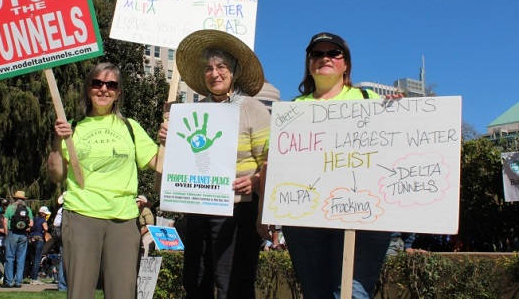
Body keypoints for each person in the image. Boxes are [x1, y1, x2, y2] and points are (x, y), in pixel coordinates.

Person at [263, 32, 391, 299]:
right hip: (305, 220)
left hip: (363, 218)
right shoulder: (293, 109)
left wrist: (401, 113)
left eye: (334, 53)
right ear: (309, 63)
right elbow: (270, 162)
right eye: (317, 54)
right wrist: (262, 215)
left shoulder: (371, 101)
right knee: (316, 293)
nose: (325, 58)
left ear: (346, 64)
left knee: (351, 292)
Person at [158, 30, 270, 298]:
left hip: (238, 211)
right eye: (208, 68)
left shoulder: (252, 109)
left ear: (233, 72)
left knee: (233, 284)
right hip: (197, 208)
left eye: (221, 67)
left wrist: (255, 182)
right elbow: (184, 160)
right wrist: (168, 139)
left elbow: (269, 161)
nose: (215, 73)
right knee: (195, 281)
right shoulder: (190, 113)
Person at [48, 62, 159, 299]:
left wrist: (169, 137)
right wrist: (58, 141)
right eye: (97, 83)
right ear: (88, 89)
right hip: (81, 216)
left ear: (118, 93)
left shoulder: (131, 127)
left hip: (124, 219)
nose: (103, 89)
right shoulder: (74, 128)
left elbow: (161, 164)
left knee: (122, 293)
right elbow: (55, 174)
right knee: (79, 293)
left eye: (111, 85)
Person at [2, 190, 33, 288]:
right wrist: (27, 229)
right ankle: (18, 281)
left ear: (15, 199)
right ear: (24, 200)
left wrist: (7, 233)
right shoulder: (28, 209)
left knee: (10, 258)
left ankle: (9, 281)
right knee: (21, 259)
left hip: (12, 234)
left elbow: (5, 222)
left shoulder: (10, 208)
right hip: (23, 235)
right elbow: (31, 224)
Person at [29, 205, 50, 285]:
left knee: (33, 259)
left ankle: (32, 277)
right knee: (37, 259)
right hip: (39, 239)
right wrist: (44, 233)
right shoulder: (42, 220)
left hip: (31, 239)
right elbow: (46, 228)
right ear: (43, 214)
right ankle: (35, 278)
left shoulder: (34, 219)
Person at [52, 192, 67, 292]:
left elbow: (55, 224)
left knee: (63, 259)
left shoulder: (61, 210)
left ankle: (62, 286)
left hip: (63, 237)